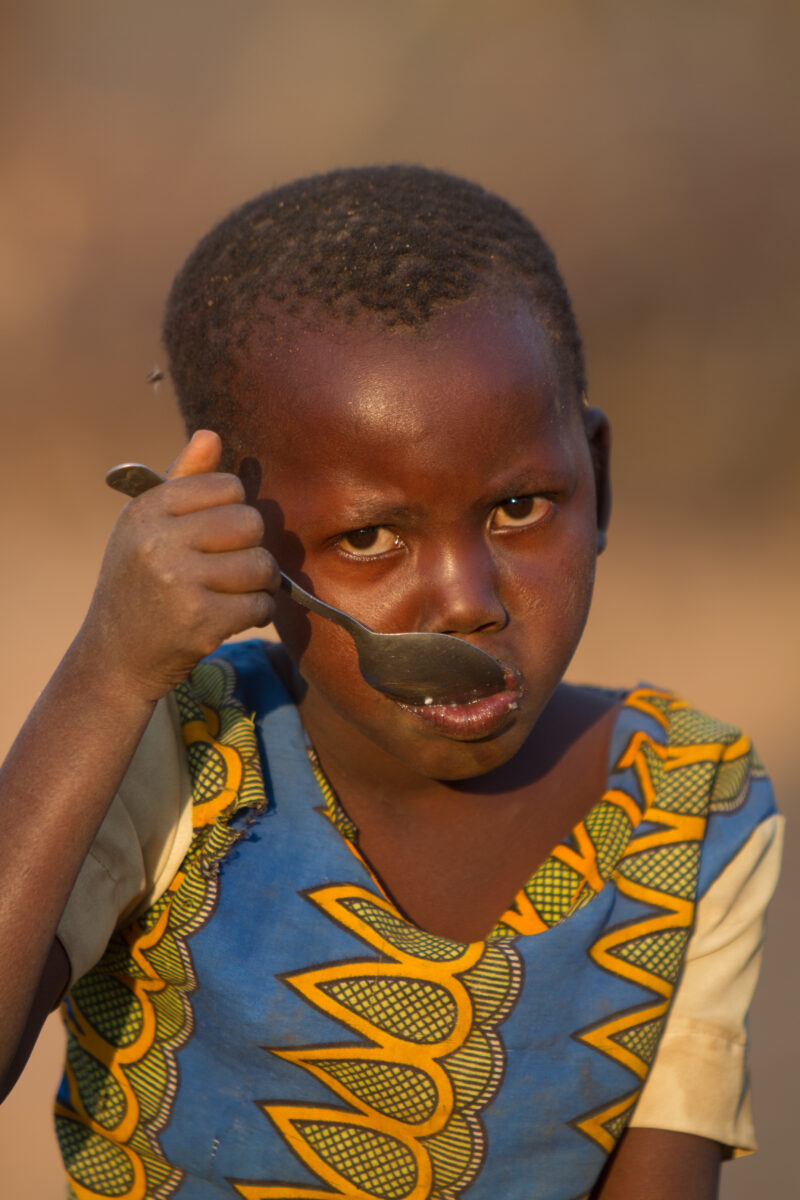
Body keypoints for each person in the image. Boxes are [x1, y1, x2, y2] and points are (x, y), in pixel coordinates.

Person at [0, 167, 782, 1200]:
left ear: (597, 478)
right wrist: (106, 675)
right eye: (368, 536)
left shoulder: (686, 812)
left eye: (517, 508)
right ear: (236, 542)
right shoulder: (174, 750)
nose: (464, 600)